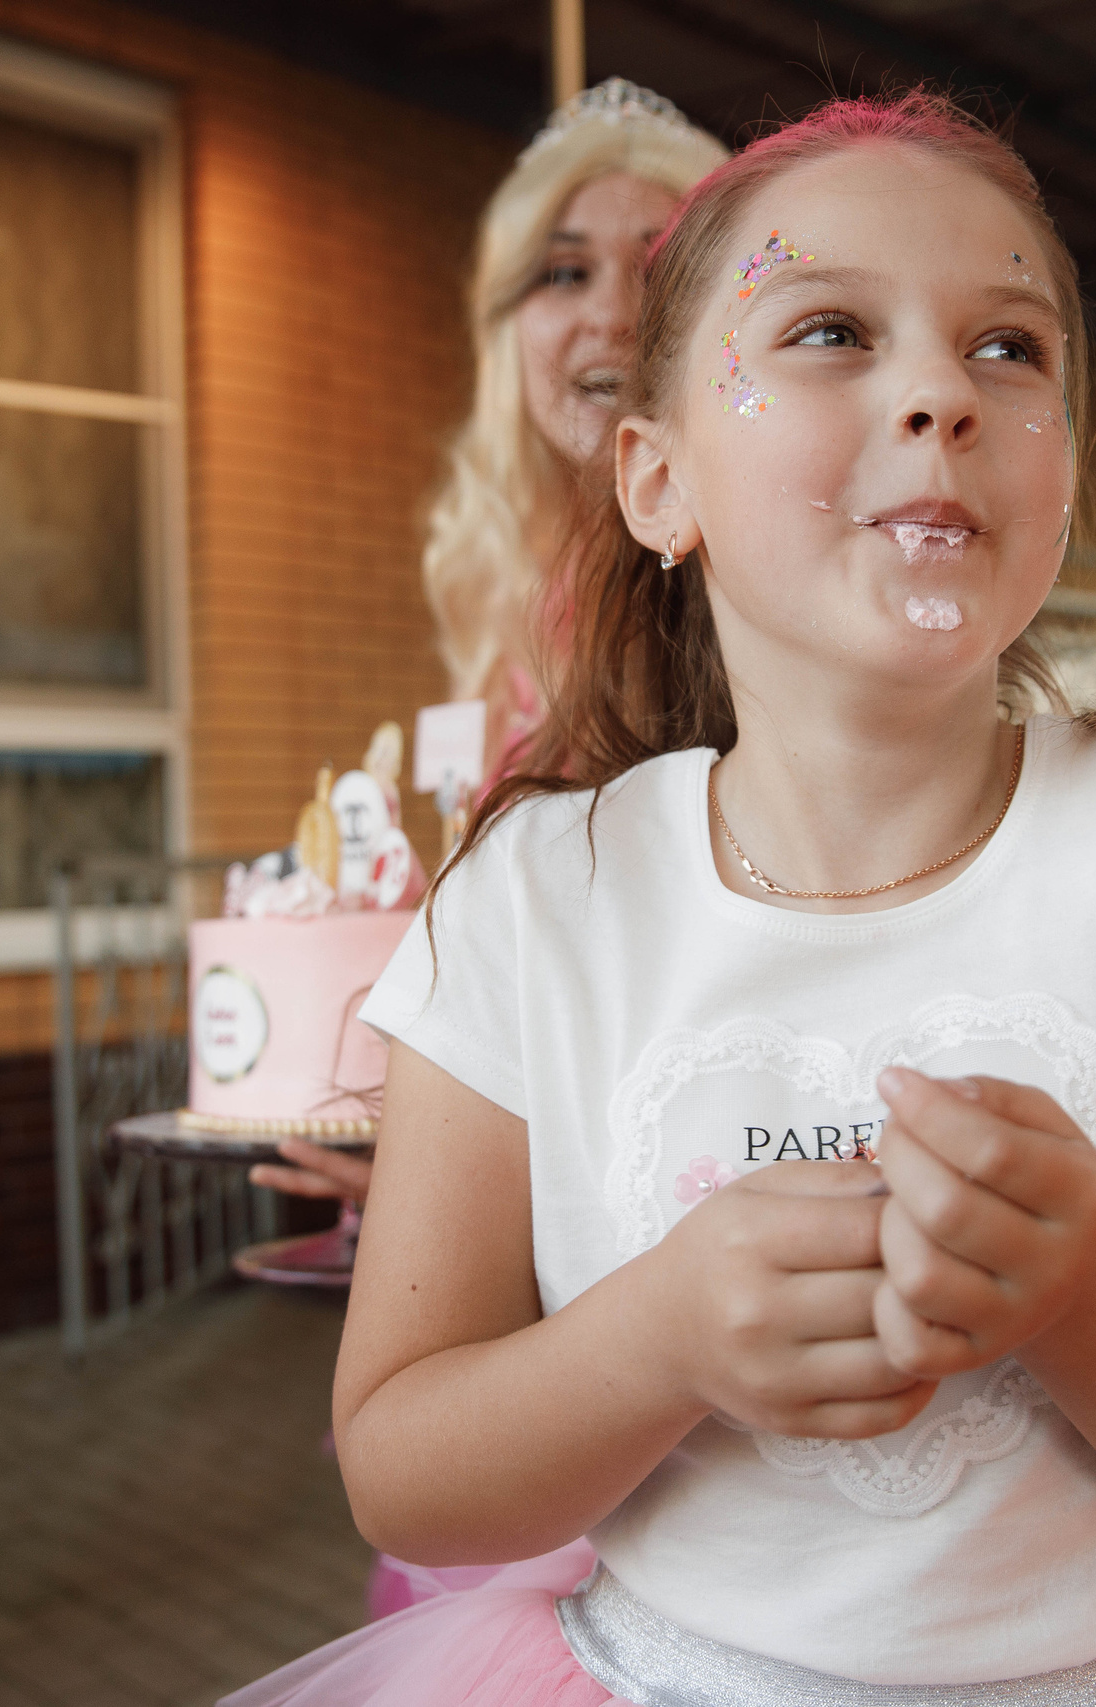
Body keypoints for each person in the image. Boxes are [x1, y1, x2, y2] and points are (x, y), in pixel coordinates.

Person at [223, 93, 1096, 1705]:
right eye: (828, 330)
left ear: (1067, 475)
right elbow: (404, 1472)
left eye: (1011, 349)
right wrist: (656, 1340)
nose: (944, 390)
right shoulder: (532, 901)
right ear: (658, 480)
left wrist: (1094, 1298)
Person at [248, 78, 727, 1218]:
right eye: (561, 272)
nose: (610, 313)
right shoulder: (525, 580)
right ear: (505, 326)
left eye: (657, 267)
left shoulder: (737, 583)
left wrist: (443, 1158)